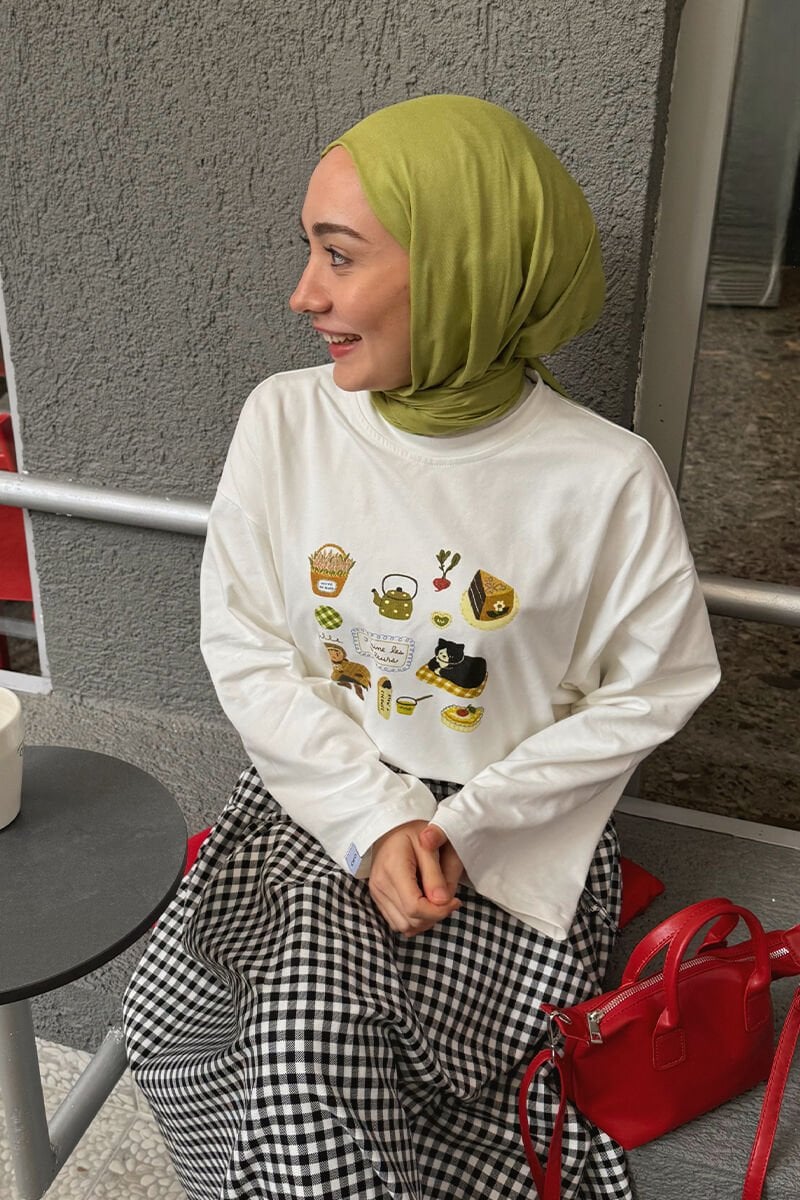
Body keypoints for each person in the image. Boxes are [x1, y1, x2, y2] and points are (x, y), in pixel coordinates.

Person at [122, 95, 720, 1199]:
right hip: (318, 805)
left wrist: (458, 825)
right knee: (258, 1031)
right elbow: (246, 644)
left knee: (316, 1055)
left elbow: (656, 684)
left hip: (508, 841)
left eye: (338, 255)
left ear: (462, 270)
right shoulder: (285, 422)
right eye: (308, 250)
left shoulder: (601, 478)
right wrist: (375, 818)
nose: (303, 294)